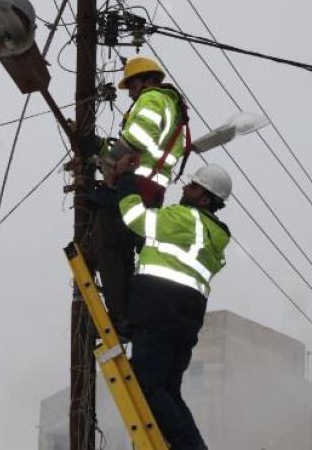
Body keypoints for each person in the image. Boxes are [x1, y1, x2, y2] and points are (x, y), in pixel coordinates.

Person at [115, 157, 232, 450]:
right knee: (168, 389)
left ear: (204, 199)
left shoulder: (185, 219)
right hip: (185, 318)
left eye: (193, 186)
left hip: (159, 310)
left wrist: (126, 180)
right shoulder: (211, 234)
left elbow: (136, 219)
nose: (185, 188)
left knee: (147, 385)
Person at [89, 56, 191, 334]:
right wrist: (103, 150)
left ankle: (120, 317)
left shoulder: (153, 99)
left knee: (107, 244)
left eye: (132, 86)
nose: (130, 94)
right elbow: (142, 149)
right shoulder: (173, 109)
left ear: (148, 81)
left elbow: (139, 139)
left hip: (133, 186)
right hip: (149, 191)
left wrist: (109, 162)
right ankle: (127, 315)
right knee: (123, 249)